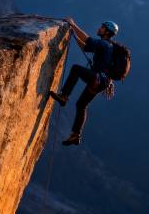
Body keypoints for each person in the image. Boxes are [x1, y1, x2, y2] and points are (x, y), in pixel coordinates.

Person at [49, 18, 119, 146]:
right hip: (102, 82)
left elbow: (88, 40)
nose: (99, 29)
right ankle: (76, 135)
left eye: (102, 28)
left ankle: (64, 96)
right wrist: (74, 36)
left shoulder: (104, 44)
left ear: (107, 32)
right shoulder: (107, 46)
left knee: (76, 69)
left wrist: (73, 24)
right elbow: (86, 47)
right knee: (81, 105)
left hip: (97, 78)